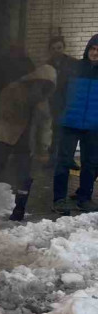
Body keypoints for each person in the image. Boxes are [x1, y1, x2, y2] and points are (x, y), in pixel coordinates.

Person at [0, 65, 56, 221]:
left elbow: (45, 126)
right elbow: (6, 114)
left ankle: (19, 210)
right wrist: (29, 103)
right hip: (4, 137)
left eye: (46, 85)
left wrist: (43, 149)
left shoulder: (42, 101)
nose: (41, 87)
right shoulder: (13, 89)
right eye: (40, 83)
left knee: (25, 176)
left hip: (26, 142)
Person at [52, 34, 98, 215]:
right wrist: (58, 115)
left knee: (90, 163)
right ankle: (59, 200)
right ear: (88, 49)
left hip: (94, 126)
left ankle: (84, 199)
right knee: (63, 161)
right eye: (93, 49)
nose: (95, 53)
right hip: (69, 123)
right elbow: (58, 94)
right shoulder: (74, 68)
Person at [46, 36, 80, 166]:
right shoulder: (47, 66)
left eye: (59, 47)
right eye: (53, 48)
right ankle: (52, 159)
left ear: (64, 48)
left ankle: (68, 159)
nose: (57, 51)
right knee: (55, 131)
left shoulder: (74, 64)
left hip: (70, 103)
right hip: (55, 103)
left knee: (70, 133)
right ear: (50, 50)